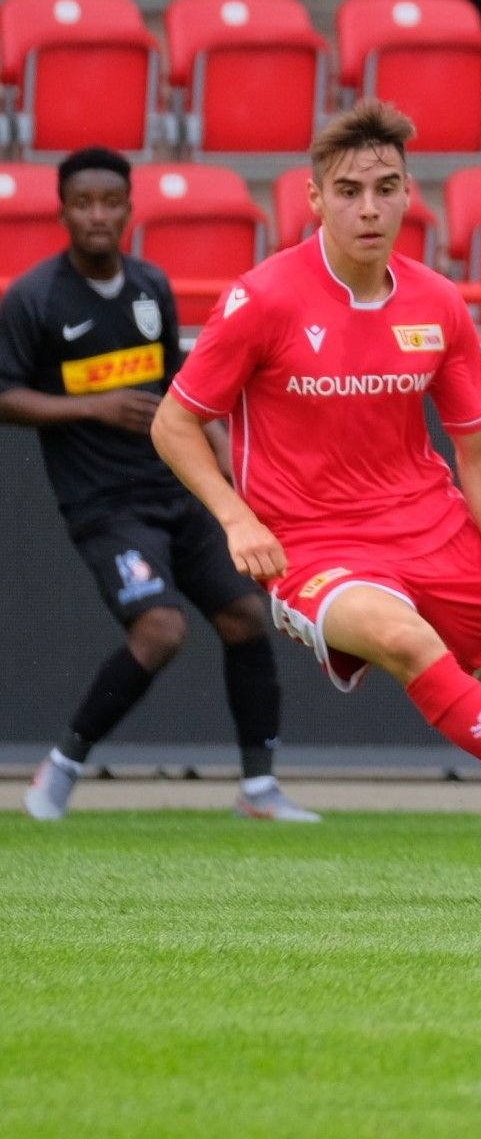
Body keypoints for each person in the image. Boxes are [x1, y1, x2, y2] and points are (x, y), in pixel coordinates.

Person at [149, 103, 481, 896]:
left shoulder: (436, 301)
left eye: (385, 188)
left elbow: (479, 450)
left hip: (433, 528)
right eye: (348, 192)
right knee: (402, 639)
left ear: (411, 194)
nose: (368, 208)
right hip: (312, 544)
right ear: (315, 199)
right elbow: (173, 422)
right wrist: (236, 518)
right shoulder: (263, 299)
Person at [3, 150, 312, 823]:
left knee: (245, 616)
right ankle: (60, 769)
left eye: (110, 202)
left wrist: (227, 464)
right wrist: (92, 407)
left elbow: (182, 390)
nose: (97, 215)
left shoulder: (150, 287)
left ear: (129, 210)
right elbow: (5, 395)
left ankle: (259, 790)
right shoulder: (34, 298)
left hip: (174, 489)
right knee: (161, 628)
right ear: (62, 213)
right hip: (104, 506)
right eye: (83, 203)